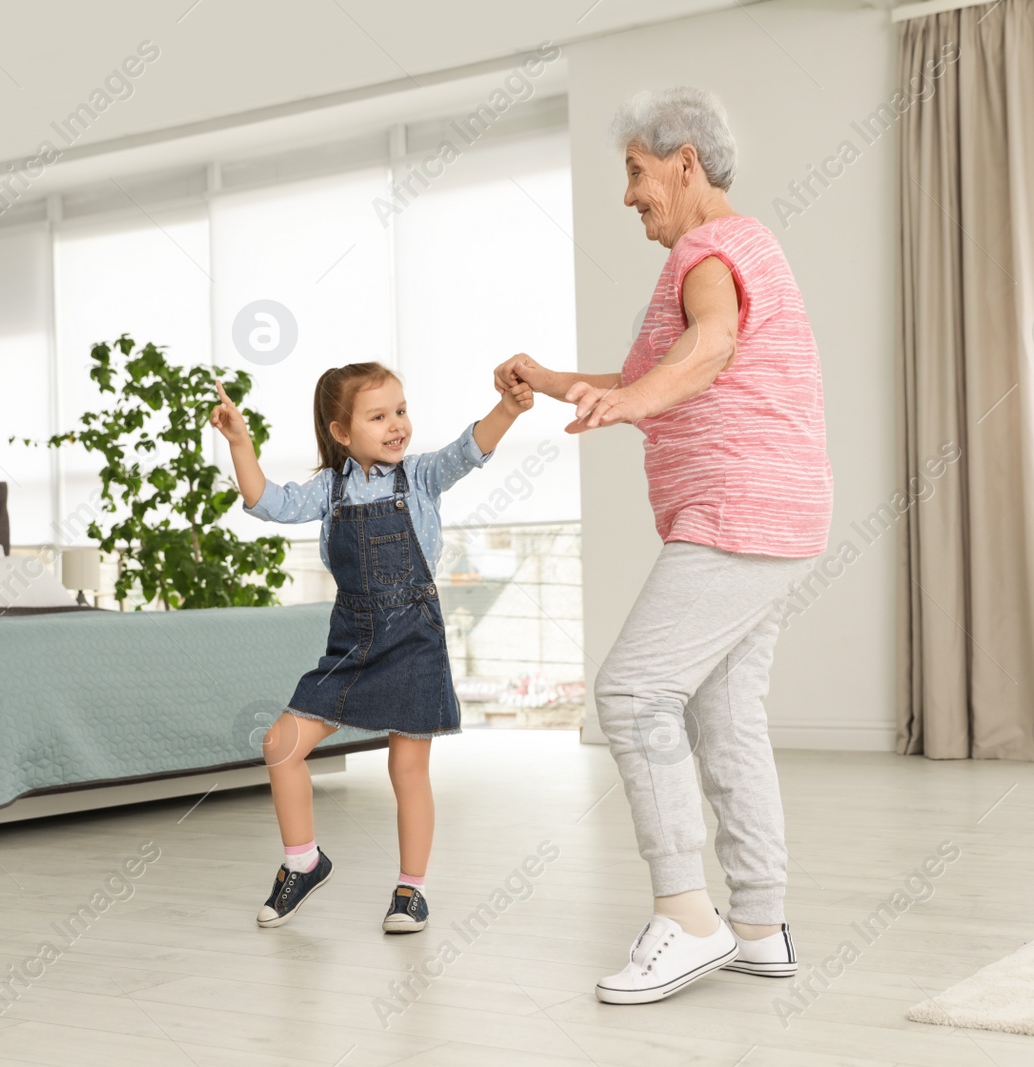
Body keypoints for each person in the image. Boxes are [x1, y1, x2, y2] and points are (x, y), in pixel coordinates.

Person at [496, 86, 832, 1004]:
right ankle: (759, 923)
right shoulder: (745, 243)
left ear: (685, 163)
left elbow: (714, 344)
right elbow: (662, 365)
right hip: (780, 516)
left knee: (634, 691)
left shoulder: (706, 250)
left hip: (736, 508)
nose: (629, 196)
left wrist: (634, 404)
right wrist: (556, 379)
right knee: (726, 714)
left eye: (638, 174)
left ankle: (686, 916)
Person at [211, 362, 534, 933]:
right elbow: (267, 501)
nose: (396, 426)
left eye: (401, 411)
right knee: (280, 744)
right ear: (341, 432)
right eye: (378, 416)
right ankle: (303, 862)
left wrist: (507, 408)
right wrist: (240, 442)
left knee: (407, 769)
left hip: (413, 636)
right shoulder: (329, 490)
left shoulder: (421, 477)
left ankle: (411, 891)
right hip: (350, 641)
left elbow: (468, 449)